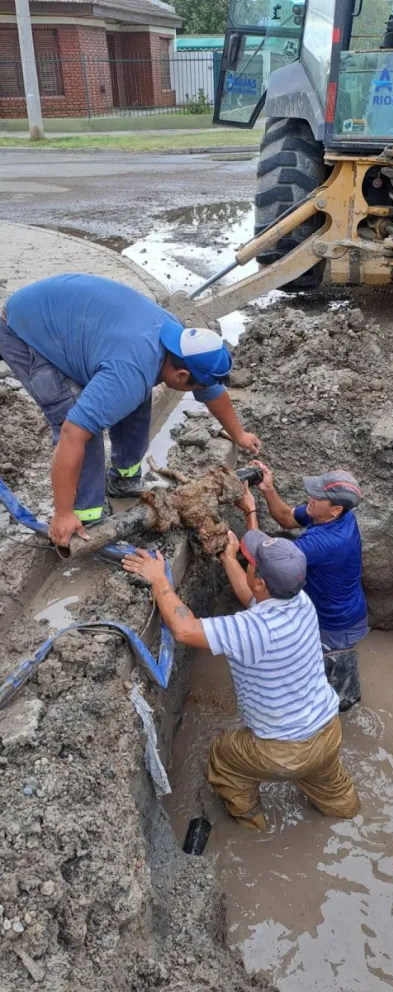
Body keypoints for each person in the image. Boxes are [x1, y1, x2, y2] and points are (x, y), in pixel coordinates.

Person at [0, 274, 260, 548]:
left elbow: (211, 389)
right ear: (182, 375)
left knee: (134, 398)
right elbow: (72, 434)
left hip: (68, 316)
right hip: (23, 328)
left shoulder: (176, 340)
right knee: (76, 416)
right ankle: (83, 517)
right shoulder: (131, 370)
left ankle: (123, 480)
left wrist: (239, 434)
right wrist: (62, 513)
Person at [122, 532, 360, 832]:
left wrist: (159, 579)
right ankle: (349, 814)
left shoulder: (252, 629)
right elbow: (253, 597)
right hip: (327, 730)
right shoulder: (301, 602)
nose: (248, 564)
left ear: (260, 580)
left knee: (223, 757)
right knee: (331, 784)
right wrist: (229, 559)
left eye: (251, 563)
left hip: (283, 751)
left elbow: (184, 629)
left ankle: (253, 827)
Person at [239, 465, 368, 710]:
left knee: (327, 688)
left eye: (318, 497)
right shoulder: (337, 515)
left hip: (335, 625)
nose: (311, 498)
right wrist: (268, 490)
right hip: (342, 611)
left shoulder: (325, 542)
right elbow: (287, 517)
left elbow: (264, 558)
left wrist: (250, 511)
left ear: (335, 509)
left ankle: (335, 712)